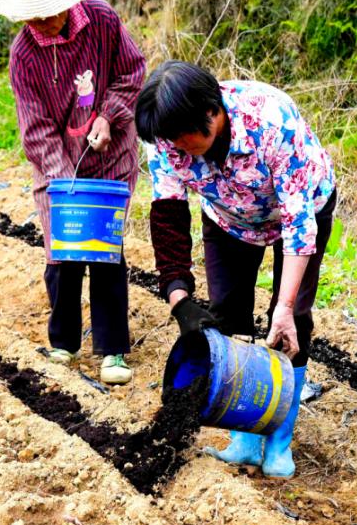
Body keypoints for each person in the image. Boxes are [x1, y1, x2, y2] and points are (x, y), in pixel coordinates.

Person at [136, 60, 337, 476]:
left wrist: (282, 305)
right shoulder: (166, 139)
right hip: (228, 219)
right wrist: (179, 298)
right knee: (226, 315)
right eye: (169, 139)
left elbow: (299, 224)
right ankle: (244, 436)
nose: (177, 147)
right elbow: (168, 215)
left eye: (184, 137)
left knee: (292, 319)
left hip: (299, 213)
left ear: (213, 112)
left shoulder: (272, 122)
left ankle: (279, 439)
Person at [0, 0, 146, 385]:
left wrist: (108, 115)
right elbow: (35, 126)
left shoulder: (101, 20)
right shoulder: (24, 54)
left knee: (104, 249)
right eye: (33, 17)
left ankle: (113, 350)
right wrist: (65, 180)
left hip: (111, 155)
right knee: (63, 249)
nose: (42, 23)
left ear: (64, 2)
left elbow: (133, 72)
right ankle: (64, 342)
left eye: (48, 13)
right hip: (57, 165)